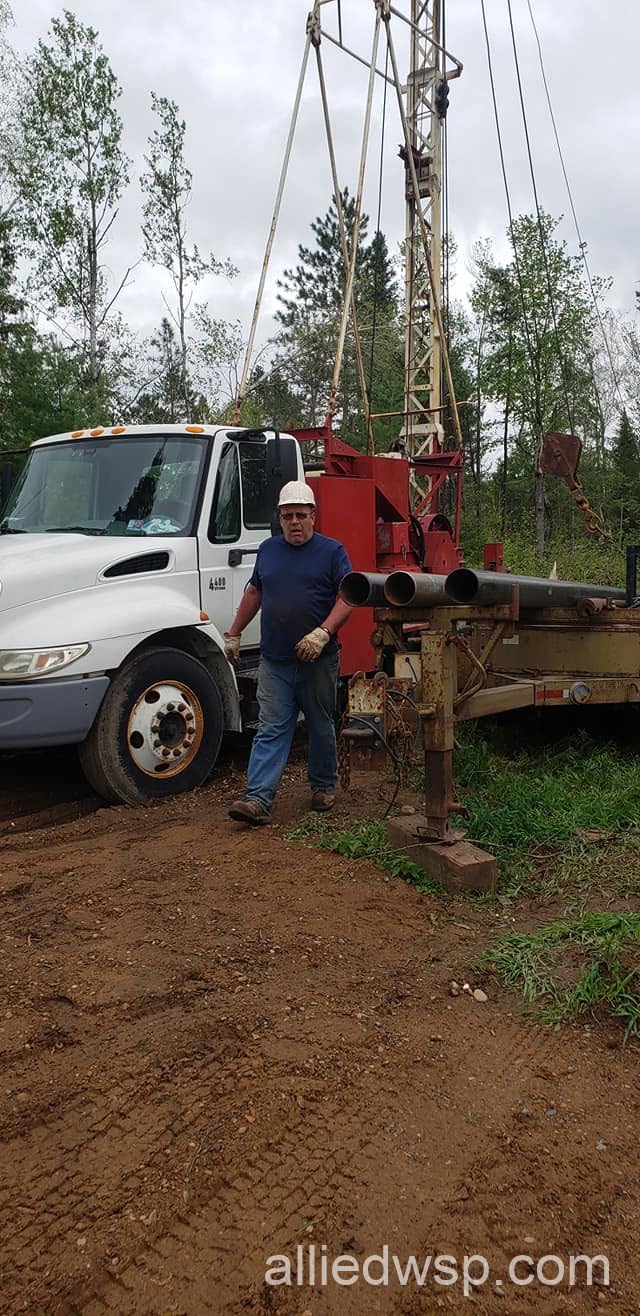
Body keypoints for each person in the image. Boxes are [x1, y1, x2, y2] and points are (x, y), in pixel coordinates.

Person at [225, 480, 353, 826]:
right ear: (279, 519)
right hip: (276, 660)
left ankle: (324, 786)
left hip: (318, 662)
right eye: (287, 516)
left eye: (301, 515)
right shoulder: (268, 551)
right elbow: (255, 591)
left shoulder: (332, 552)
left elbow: (348, 598)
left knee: (320, 724)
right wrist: (234, 634)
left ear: (314, 516)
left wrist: (323, 633)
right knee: (271, 728)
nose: (294, 522)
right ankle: (257, 799)